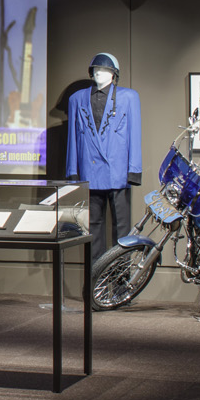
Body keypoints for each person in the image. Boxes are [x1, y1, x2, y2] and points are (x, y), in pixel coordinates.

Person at [66, 52, 142, 258]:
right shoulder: (77, 99)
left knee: (122, 229)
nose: (100, 72)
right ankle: (95, 280)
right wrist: (72, 171)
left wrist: (134, 170)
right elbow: (72, 138)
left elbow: (134, 134)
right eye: (96, 69)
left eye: (105, 69)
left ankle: (121, 279)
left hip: (118, 172)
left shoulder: (129, 97)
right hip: (90, 172)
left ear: (114, 74)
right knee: (93, 228)